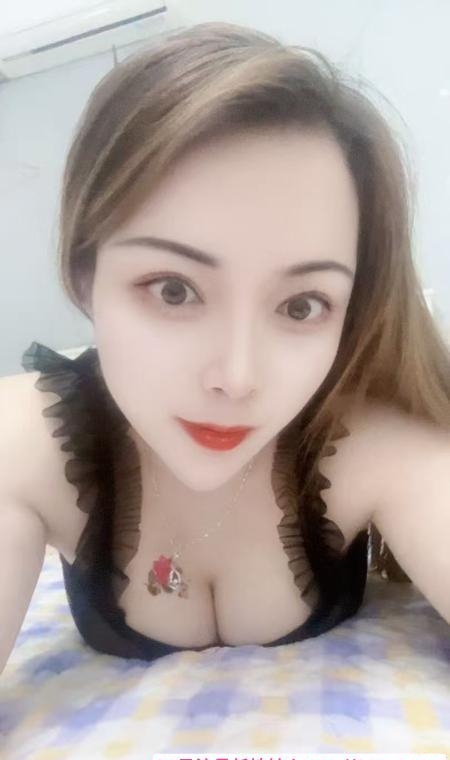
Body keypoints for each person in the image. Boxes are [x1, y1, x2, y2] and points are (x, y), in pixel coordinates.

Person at [1, 21, 449, 672]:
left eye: (301, 305)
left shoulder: (373, 445)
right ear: (83, 274)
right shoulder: (22, 444)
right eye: (174, 290)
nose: (237, 378)